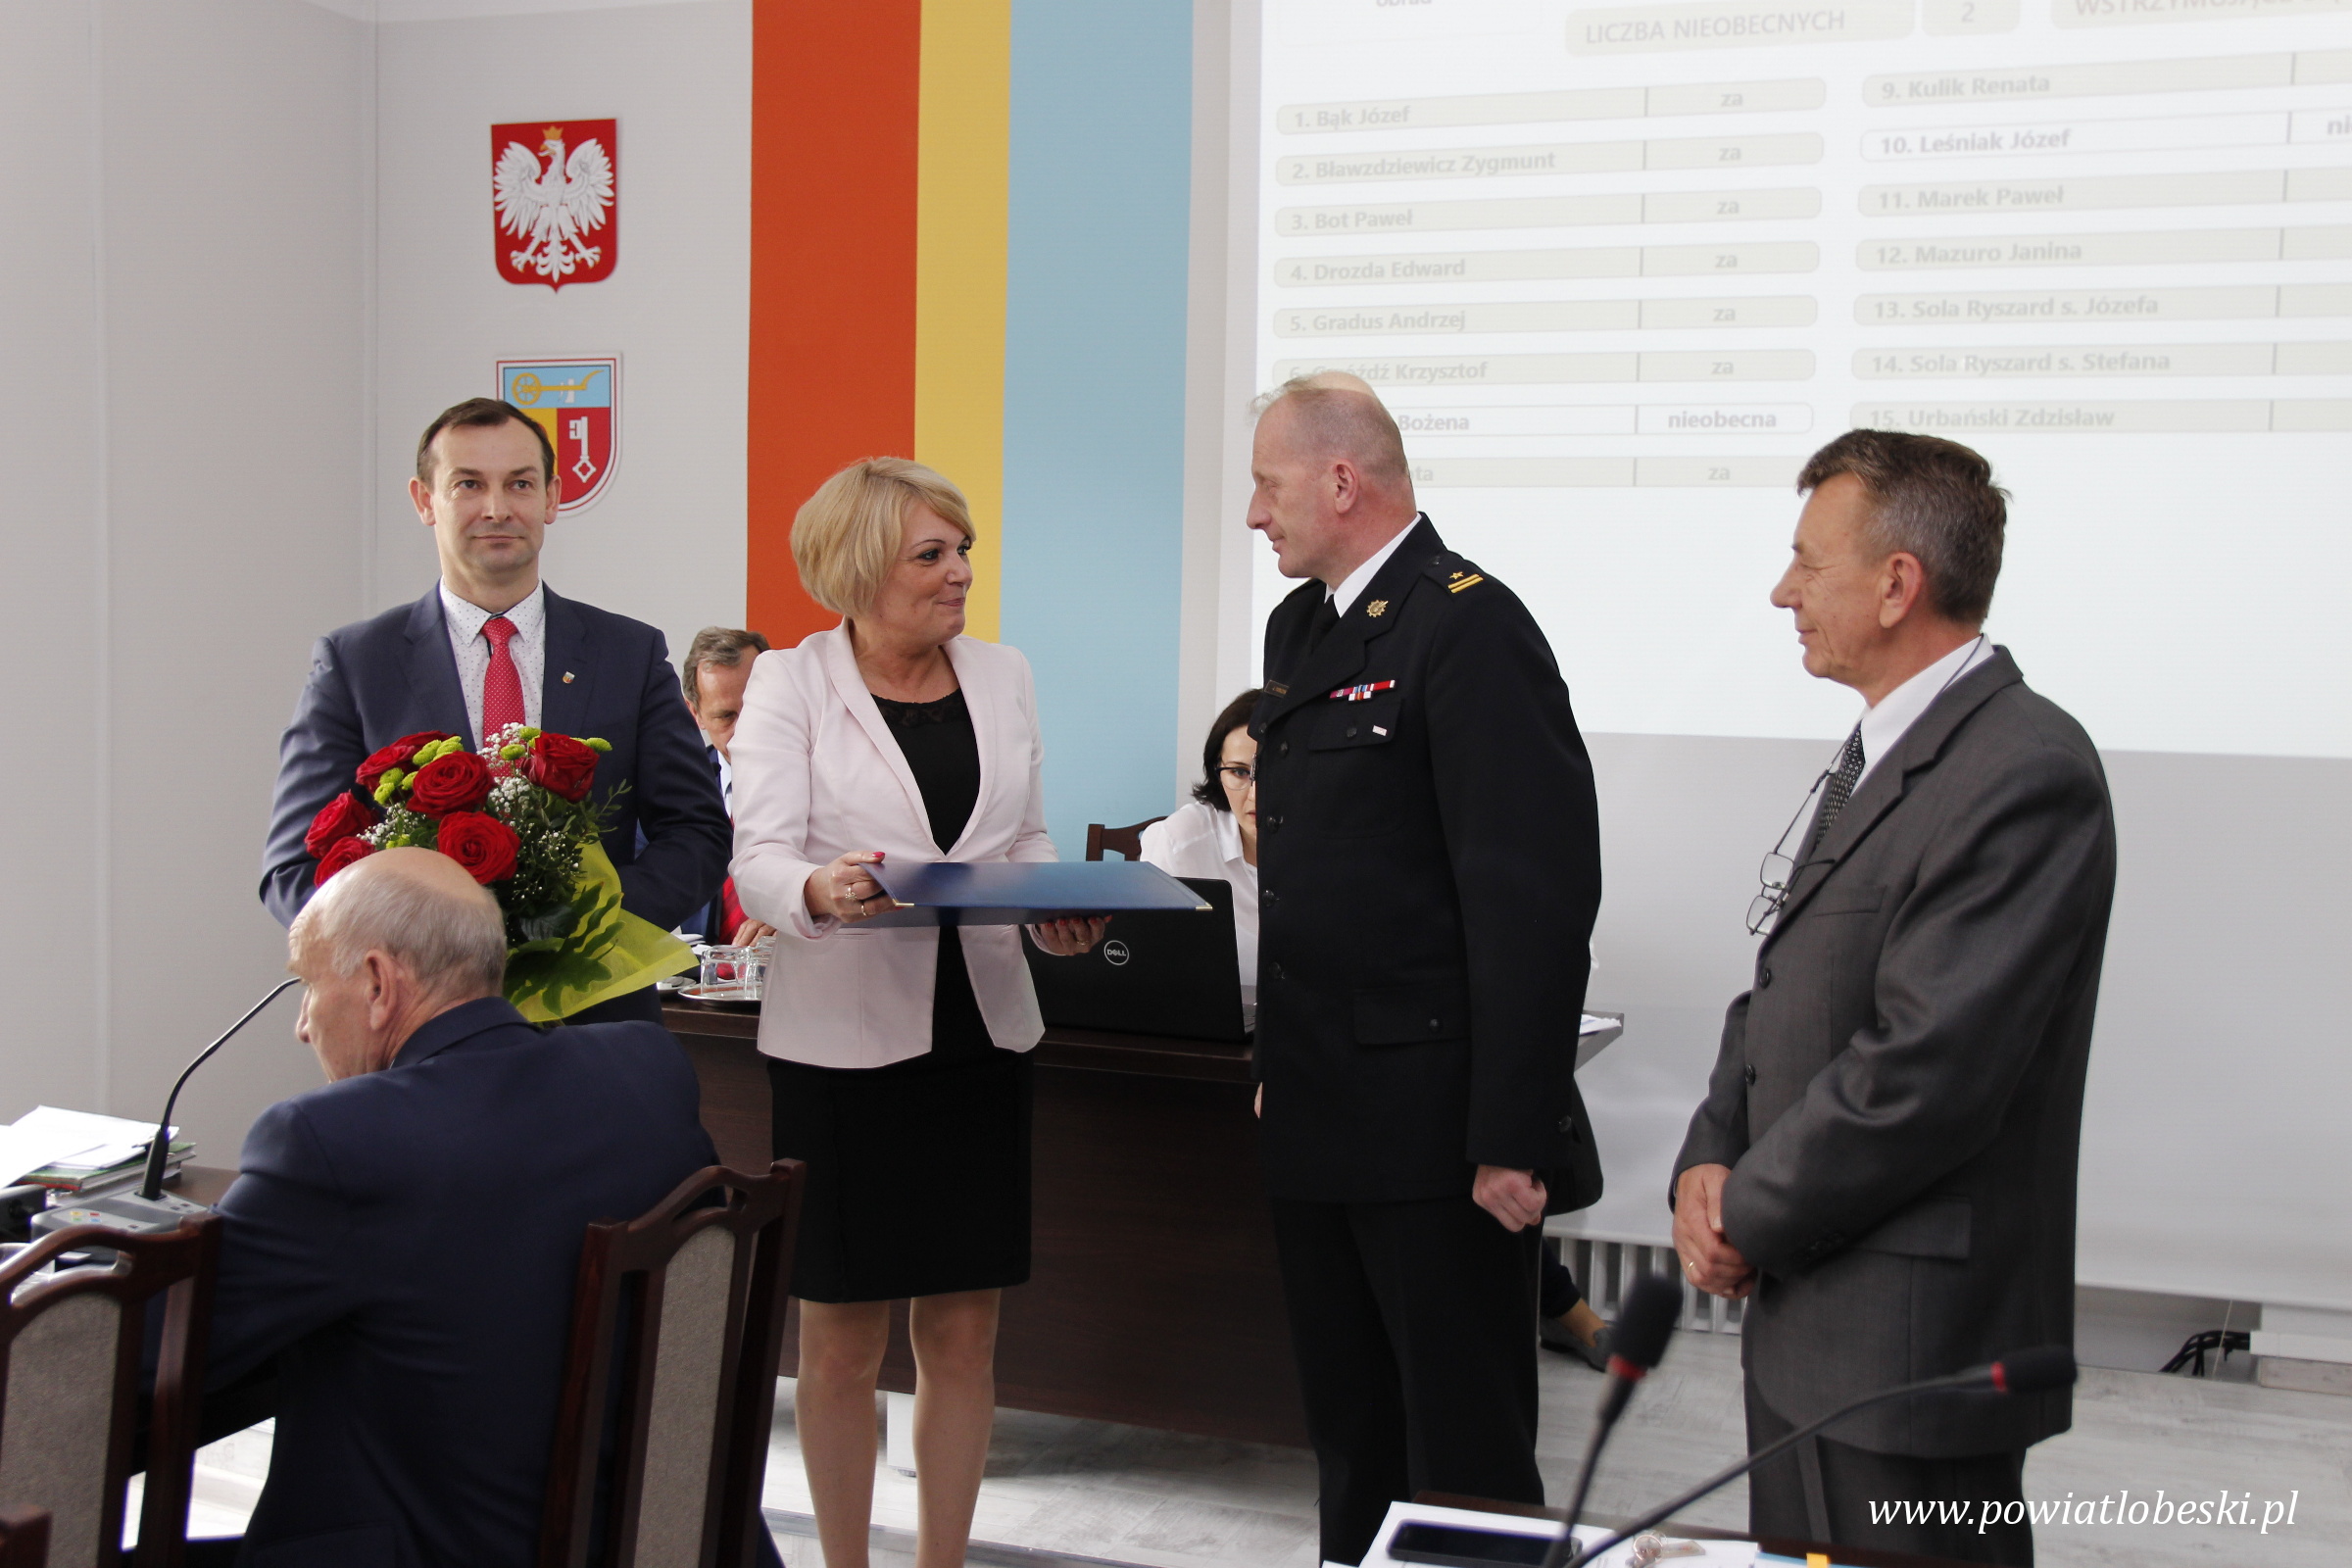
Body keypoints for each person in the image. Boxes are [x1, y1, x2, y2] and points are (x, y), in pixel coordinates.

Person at [1672, 431, 2116, 1566]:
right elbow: (1784, 980)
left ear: (1896, 583)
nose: (1784, 592)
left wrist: (1743, 1211)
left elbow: (1926, 1071)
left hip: (1907, 1355)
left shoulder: (2023, 768)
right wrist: (1707, 1158)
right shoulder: (1884, 748)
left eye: (1808, 562)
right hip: (1809, 1335)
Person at [1245, 376, 1604, 1566]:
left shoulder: (1470, 626)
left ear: (1342, 481)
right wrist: (1278, 1064)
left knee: (1464, 1455)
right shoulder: (1300, 629)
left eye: (1269, 486)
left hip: (1436, 1133)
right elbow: (1317, 878)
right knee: (1351, 1439)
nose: (1256, 514)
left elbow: (1533, 900)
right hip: (1320, 1111)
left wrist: (1514, 1132)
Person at [727, 458, 1101, 1568]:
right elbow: (758, 858)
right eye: (931, 555)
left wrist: (1050, 913)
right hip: (842, 1054)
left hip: (982, 1038)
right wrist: (816, 889)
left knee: (965, 1335)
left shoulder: (1003, 672)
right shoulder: (791, 681)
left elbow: (1024, 838)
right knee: (841, 1345)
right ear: (857, 569)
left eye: (963, 550)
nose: (960, 573)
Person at [185, 848, 729, 1567]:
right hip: (653, 1539)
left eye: (308, 986)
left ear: (378, 982)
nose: (303, 1026)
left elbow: (164, 1348)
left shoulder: (334, 1142)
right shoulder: (645, 1069)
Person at [260, 397, 731, 1022]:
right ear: (424, 500)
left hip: (596, 1021)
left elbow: (697, 833)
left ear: (552, 497)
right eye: (468, 485)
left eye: (520, 484)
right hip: (415, 1020)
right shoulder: (356, 663)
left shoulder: (629, 653)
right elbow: (294, 868)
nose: (497, 508)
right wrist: (414, 948)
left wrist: (584, 924)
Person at [1138, 687, 1262, 992]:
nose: (1255, 795)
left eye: (1275, 771)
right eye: (1239, 772)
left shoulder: (1345, 843)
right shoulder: (1179, 842)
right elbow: (1149, 963)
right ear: (1217, 771)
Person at [680, 624, 772, 945]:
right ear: (696, 714)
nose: (746, 729)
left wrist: (798, 907)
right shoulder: (672, 792)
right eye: (726, 717)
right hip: (699, 969)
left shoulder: (833, 782)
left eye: (755, 708)